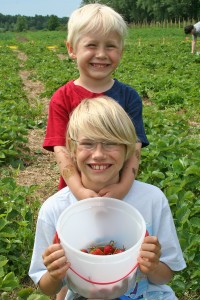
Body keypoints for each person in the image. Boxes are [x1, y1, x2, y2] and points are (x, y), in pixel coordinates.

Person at [29, 96, 186, 300]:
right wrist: (53, 273)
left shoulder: (152, 200)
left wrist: (153, 266)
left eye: (111, 143)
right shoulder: (55, 209)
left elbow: (165, 276)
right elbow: (46, 286)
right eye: (87, 143)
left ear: (128, 149)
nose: (98, 155)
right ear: (72, 149)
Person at [43, 3, 149, 199]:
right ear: (72, 48)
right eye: (91, 45)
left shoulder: (129, 97)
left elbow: (135, 148)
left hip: (119, 190)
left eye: (110, 46)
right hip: (77, 192)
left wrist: (123, 188)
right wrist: (79, 191)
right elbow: (62, 151)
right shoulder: (62, 98)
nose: (101, 54)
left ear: (121, 51)